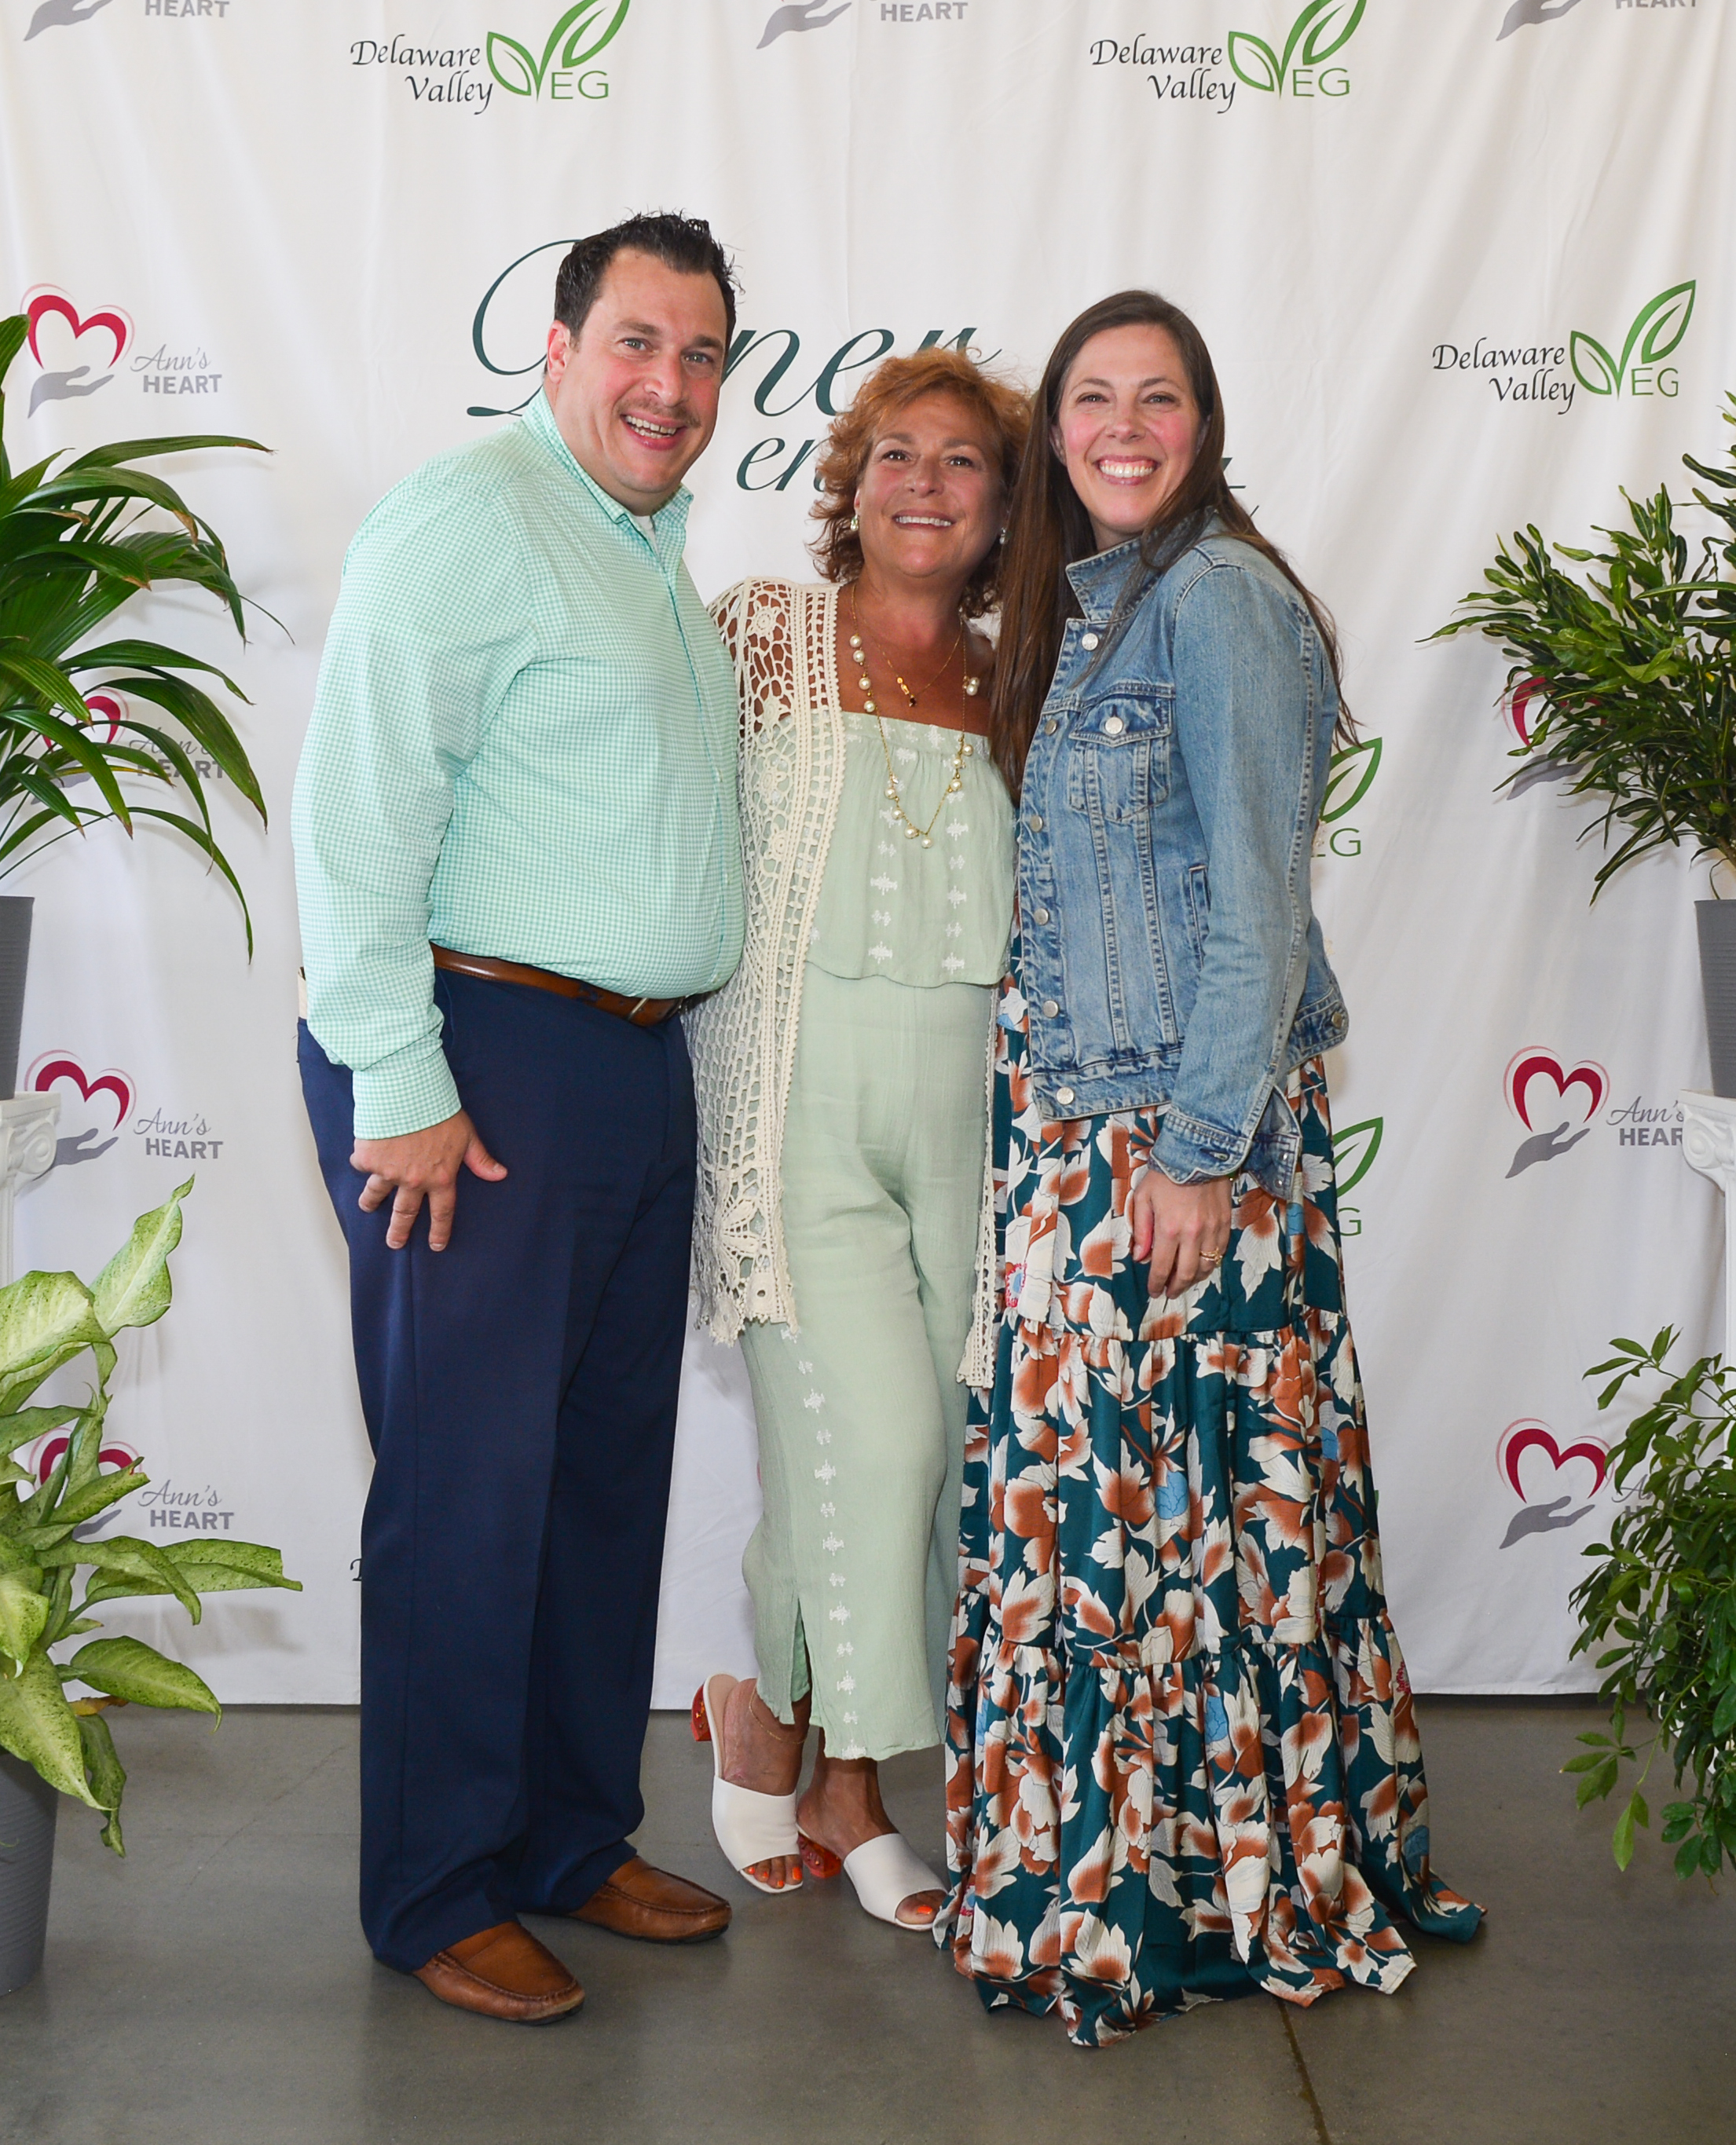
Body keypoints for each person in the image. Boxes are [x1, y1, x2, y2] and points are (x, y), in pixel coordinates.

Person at [934, 291, 1482, 2047]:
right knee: (1124, 1515)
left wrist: (1190, 1156)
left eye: (1155, 397)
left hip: (1172, 1145)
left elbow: (1256, 911)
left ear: (1205, 425)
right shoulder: (1092, 609)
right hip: (1076, 1133)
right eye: (1090, 397)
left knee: (1176, 1511)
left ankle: (1179, 1884)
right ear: (1053, 434)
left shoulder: (1221, 601)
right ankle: (1140, 1865)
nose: (1121, 426)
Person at [292, 213, 745, 2024]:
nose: (669, 384)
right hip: (475, 1060)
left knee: (600, 1481)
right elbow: (358, 811)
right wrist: (397, 1079)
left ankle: (565, 1835)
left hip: (625, 1064)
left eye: (701, 355)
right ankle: (433, 1886)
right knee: (468, 1491)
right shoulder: (471, 519)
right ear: (556, 352)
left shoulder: (643, 548)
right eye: (637, 342)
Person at [687, 350, 1030, 1929]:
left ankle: (779, 1720)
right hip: (795, 1103)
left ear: (1001, 507)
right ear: (851, 478)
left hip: (968, 1129)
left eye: (961, 462)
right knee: (874, 1442)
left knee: (933, 1460)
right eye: (897, 454)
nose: (924, 485)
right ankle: (846, 1780)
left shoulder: (1018, 679)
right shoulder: (761, 633)